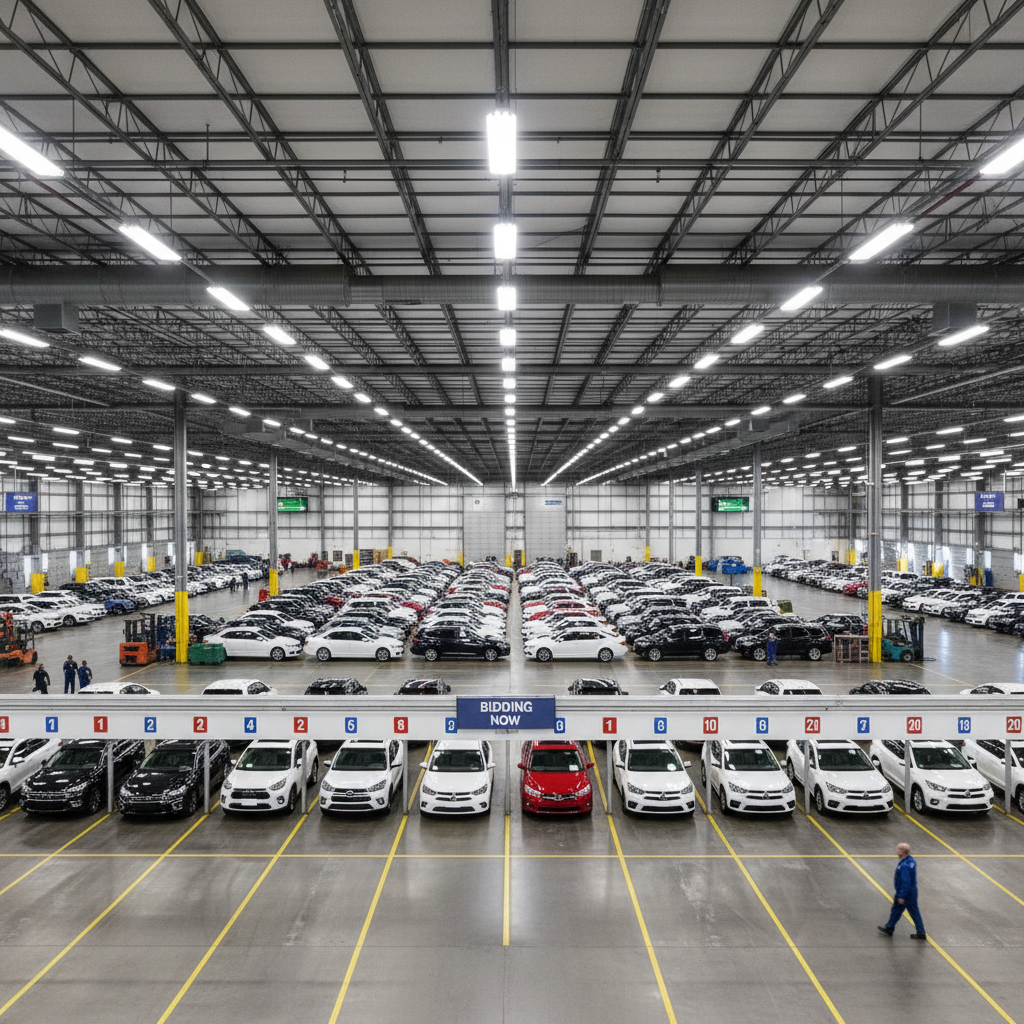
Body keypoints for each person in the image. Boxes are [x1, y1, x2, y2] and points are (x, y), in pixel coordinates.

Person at [879, 843, 926, 939]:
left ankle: (920, 932)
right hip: (911, 891)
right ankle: (890, 927)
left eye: (898, 849)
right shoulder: (910, 860)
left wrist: (901, 896)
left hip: (906, 893)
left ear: (902, 851)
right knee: (900, 910)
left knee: (906, 910)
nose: (897, 851)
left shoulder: (904, 866)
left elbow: (906, 882)